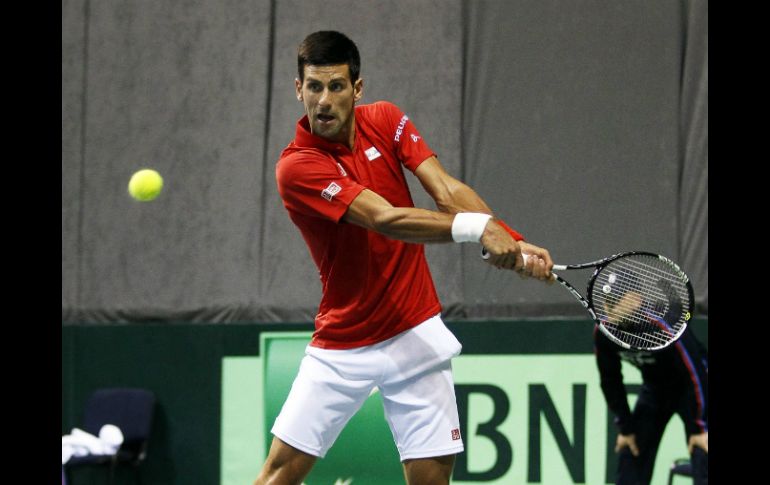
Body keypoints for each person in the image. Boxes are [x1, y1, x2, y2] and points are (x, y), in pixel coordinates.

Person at [254, 30, 555, 485]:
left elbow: (446, 190)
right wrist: (479, 230)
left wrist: (512, 239)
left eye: (336, 86)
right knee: (278, 476)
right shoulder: (297, 167)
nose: (324, 101)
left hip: (413, 330)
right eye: (313, 87)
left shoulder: (386, 119)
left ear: (357, 88)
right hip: (344, 343)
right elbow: (385, 218)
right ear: (298, 89)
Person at [595, 324, 708, 485]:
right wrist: (626, 427)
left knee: (703, 448)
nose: (608, 312)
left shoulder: (661, 324)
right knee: (631, 447)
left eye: (614, 308)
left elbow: (696, 371)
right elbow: (610, 380)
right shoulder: (603, 332)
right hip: (655, 389)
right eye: (606, 308)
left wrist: (700, 426)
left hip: (694, 387)